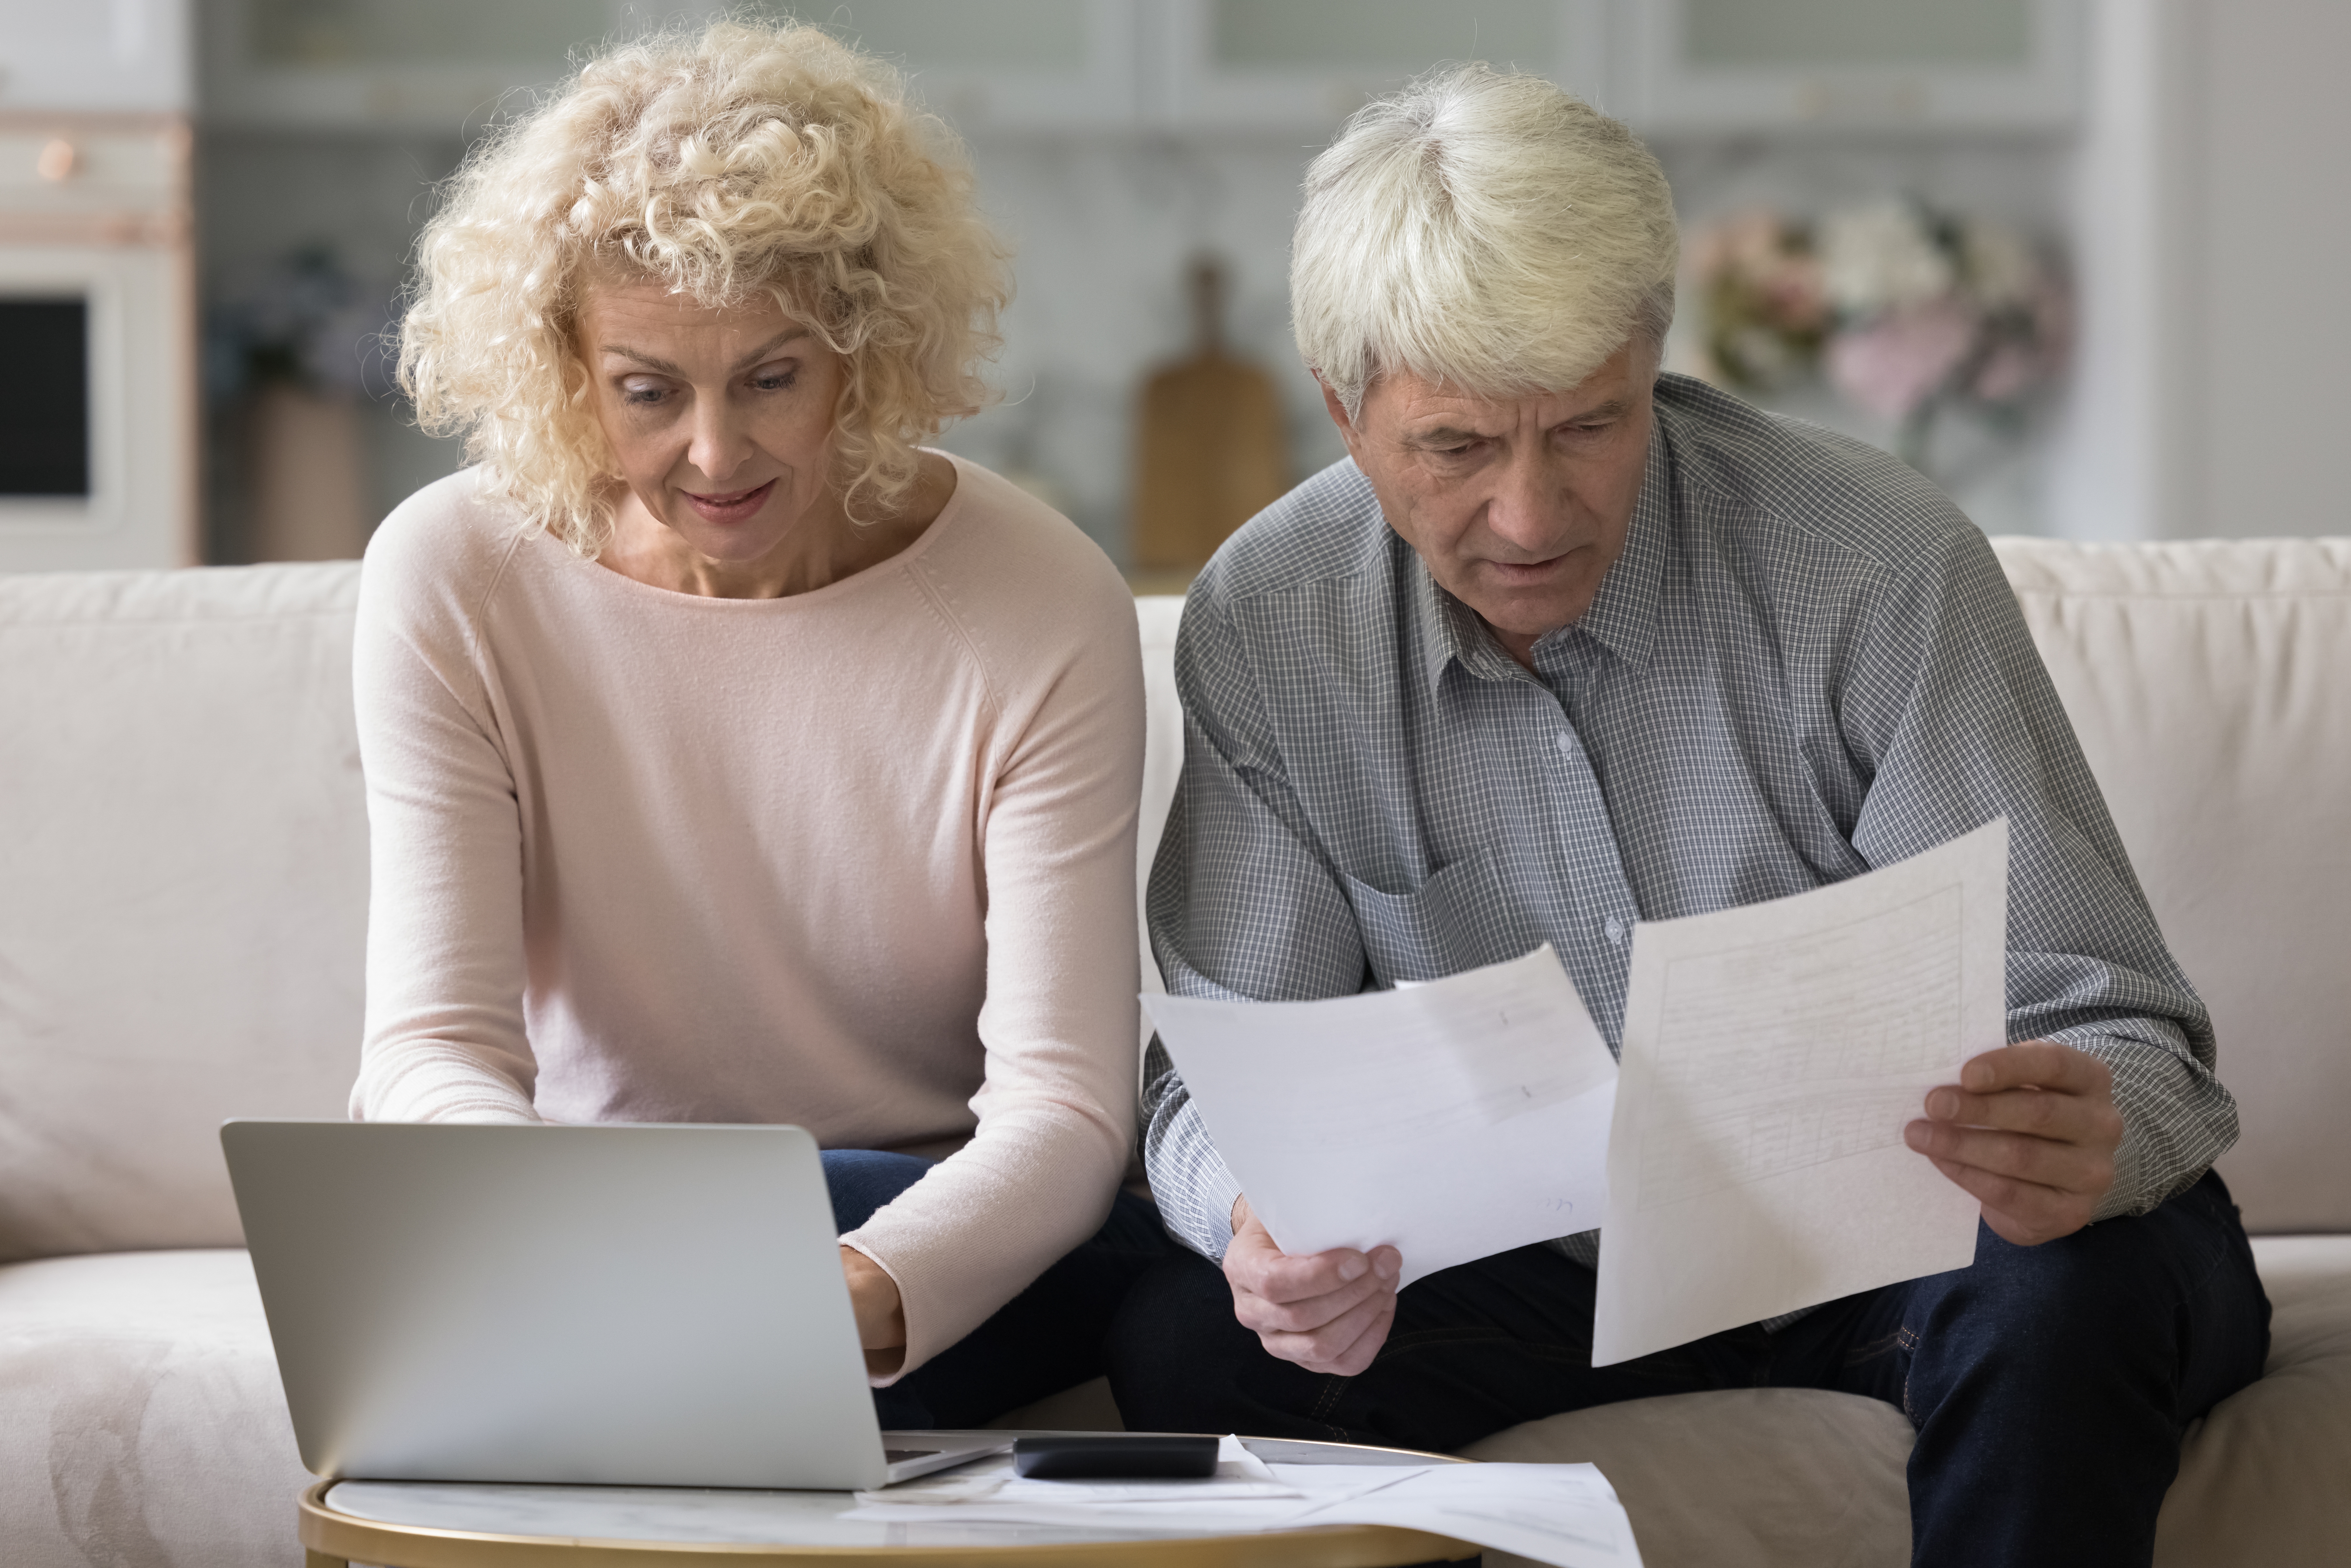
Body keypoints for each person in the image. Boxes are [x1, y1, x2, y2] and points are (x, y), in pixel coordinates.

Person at [1107, 65, 2269, 1568]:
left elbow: (2123, 1027)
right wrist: (1260, 1224)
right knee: (1193, 1339)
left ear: (1654, 359)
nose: (1531, 519)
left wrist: (2085, 1138)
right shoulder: (1273, 622)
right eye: (1456, 448)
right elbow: (1212, 1085)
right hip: (1556, 1280)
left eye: (1588, 426)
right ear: (1345, 411)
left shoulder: (1873, 565)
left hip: (1921, 1248)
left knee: (2067, 1291)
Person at [353, 18, 1164, 1427]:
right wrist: (539, 1239)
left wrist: (856, 1287)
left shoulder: (1039, 600)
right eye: (649, 393)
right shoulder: (456, 575)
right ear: (565, 371)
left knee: (1142, 1268)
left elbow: (1065, 1112)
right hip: (587, 1213)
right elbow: (431, 1052)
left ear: (866, 351)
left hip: (925, 1218)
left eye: (772, 379)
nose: (716, 456)